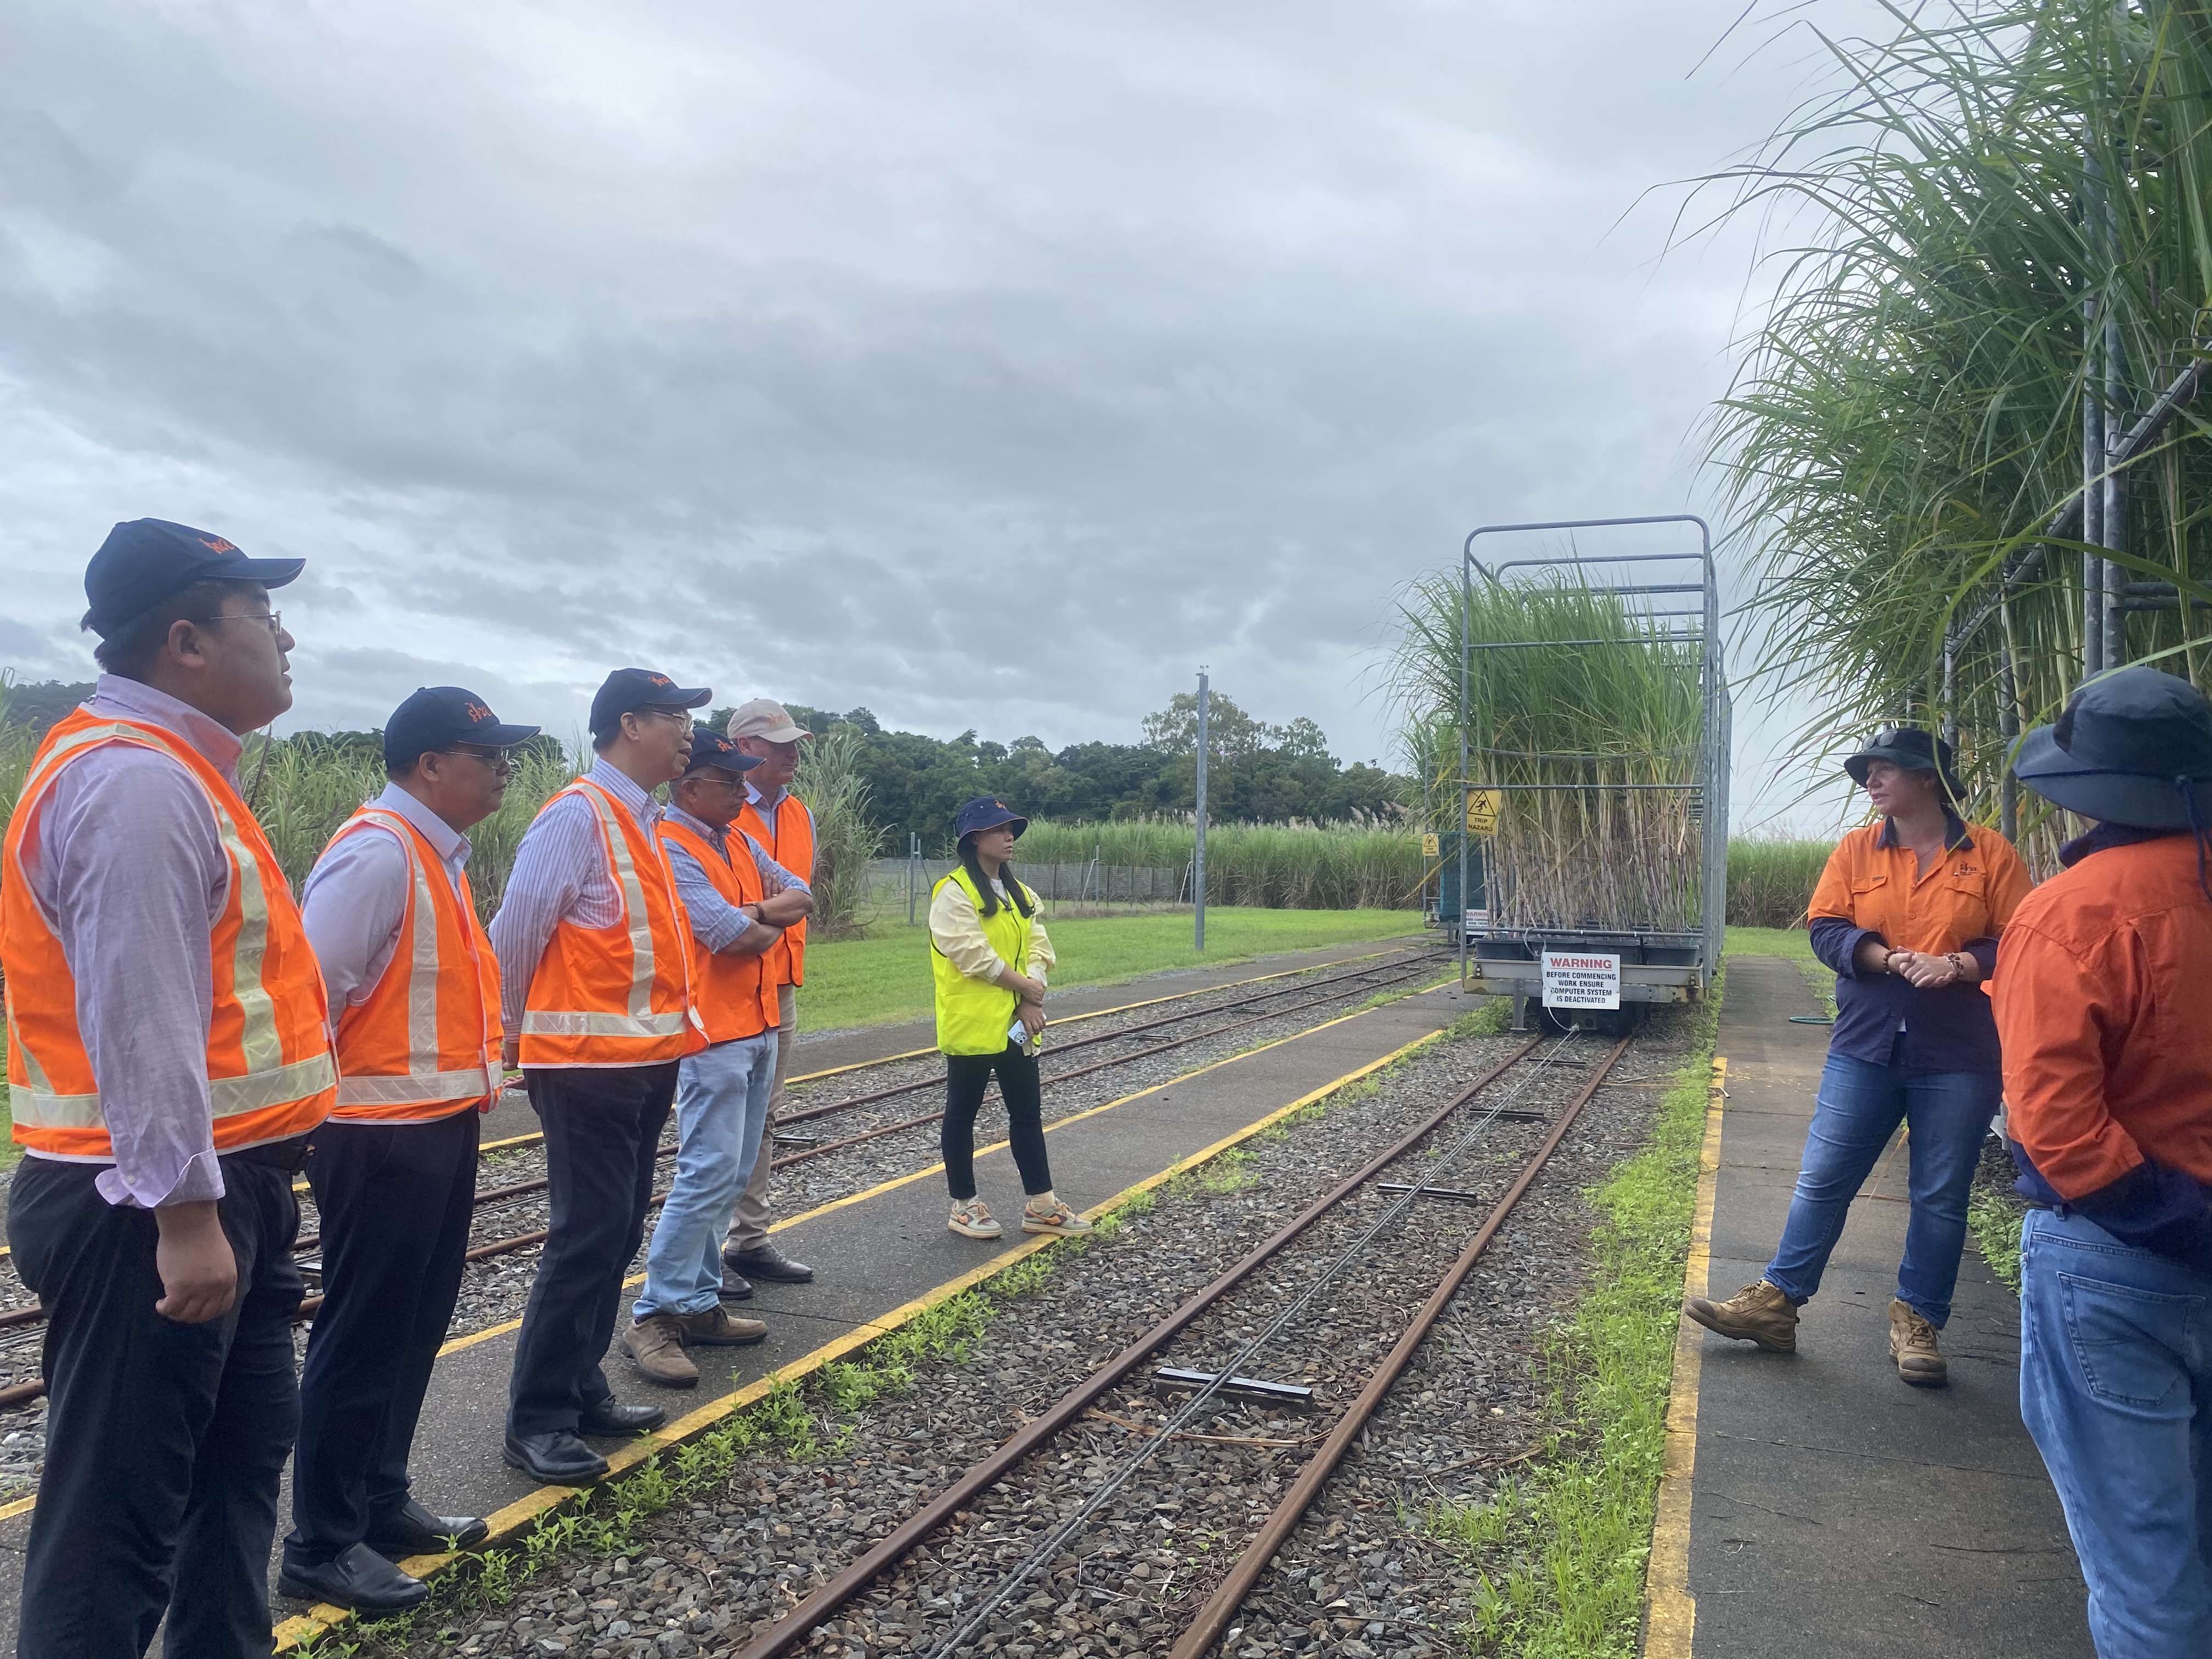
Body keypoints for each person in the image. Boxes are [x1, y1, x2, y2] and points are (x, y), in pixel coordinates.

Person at [1, 519, 336, 1658]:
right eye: (262, 614)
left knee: (237, 1474)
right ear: (188, 640)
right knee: (119, 1524)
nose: (285, 636)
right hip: (144, 1203)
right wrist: (186, 1217)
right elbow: (140, 1018)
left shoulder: (178, 770)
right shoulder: (134, 785)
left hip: (215, 1186)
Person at [278, 687, 540, 1612]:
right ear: (430, 764)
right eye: (489, 754)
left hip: (434, 1125)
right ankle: (321, 1539)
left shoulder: (436, 856)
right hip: (376, 1135)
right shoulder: (377, 852)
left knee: (413, 1323)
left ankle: (378, 1497)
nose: (504, 768)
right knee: (362, 1332)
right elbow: (312, 995)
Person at [1686, 726, 2031, 1384]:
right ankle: (1777, 1304)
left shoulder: (1989, 854)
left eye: (1883, 770)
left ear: (1927, 778)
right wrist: (1887, 957)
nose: (1869, 781)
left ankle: (1918, 1322)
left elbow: (2019, 939)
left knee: (1940, 1195)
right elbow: (1826, 928)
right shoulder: (1855, 851)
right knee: (1824, 1177)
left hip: (1961, 1053)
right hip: (1867, 1042)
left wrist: (1957, 965)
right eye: (1865, 772)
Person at [1992, 665, 2212, 1658]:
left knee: (2145, 1573)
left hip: (2118, 1266)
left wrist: (2179, 1219)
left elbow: (2055, 1125)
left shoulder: (2071, 910)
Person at [487, 667, 710, 1485]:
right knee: (585, 1237)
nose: (689, 732)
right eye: (674, 717)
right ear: (628, 724)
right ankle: (537, 1419)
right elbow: (516, 931)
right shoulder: (578, 816)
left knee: (614, 1233)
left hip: (641, 1062)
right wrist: (506, 1037)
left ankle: (581, 1389)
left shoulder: (642, 819)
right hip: (583, 1067)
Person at [624, 732, 814, 1386]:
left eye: (741, 781)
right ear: (689, 789)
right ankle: (656, 1315)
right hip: (711, 1036)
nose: (742, 790)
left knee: (732, 1169)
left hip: (757, 1024)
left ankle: (699, 1301)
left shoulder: (733, 838)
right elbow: (727, 936)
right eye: (728, 781)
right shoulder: (671, 845)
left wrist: (757, 915)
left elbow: (800, 892)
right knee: (706, 1172)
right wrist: (763, 918)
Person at [929, 797, 1091, 1240]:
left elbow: (1039, 948)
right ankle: (963, 1205)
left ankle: (1041, 1205)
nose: (1009, 836)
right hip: (972, 1023)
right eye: (998, 829)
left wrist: (1032, 996)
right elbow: (971, 956)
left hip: (1018, 1023)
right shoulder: (954, 892)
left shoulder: (1021, 894)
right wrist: (1025, 989)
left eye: (1011, 829)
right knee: (962, 1114)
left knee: (1027, 1113)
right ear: (973, 838)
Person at [718, 698, 821, 1296]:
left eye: (793, 742)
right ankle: (707, 1254)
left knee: (766, 1117)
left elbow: (801, 896)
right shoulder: (719, 813)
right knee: (721, 1123)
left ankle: (749, 1239)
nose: (792, 753)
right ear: (744, 747)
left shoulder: (800, 815)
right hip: (727, 987)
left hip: (778, 986)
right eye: (778, 742)